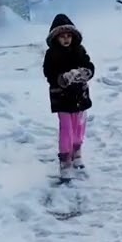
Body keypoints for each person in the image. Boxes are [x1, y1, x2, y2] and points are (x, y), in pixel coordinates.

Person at [42, 13, 95, 181]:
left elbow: (88, 64)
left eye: (68, 36)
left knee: (79, 126)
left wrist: (85, 73)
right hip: (62, 97)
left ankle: (77, 151)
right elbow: (49, 73)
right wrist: (62, 78)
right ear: (56, 38)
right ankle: (65, 159)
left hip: (80, 96)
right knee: (67, 128)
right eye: (62, 37)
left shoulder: (79, 50)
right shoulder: (52, 54)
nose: (66, 40)